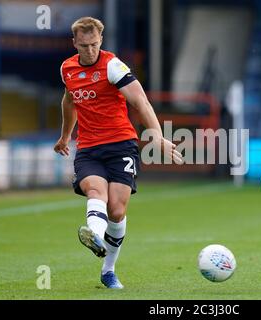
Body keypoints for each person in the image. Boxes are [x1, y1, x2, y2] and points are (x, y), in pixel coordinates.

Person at [54, 17, 182, 289]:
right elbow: (69, 101)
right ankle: (95, 237)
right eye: (84, 45)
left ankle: (108, 269)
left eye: (94, 44)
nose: (89, 50)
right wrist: (65, 136)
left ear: (101, 41)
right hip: (88, 148)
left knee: (116, 209)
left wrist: (157, 135)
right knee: (95, 191)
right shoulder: (67, 69)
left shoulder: (112, 66)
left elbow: (140, 100)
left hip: (121, 144)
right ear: (74, 42)